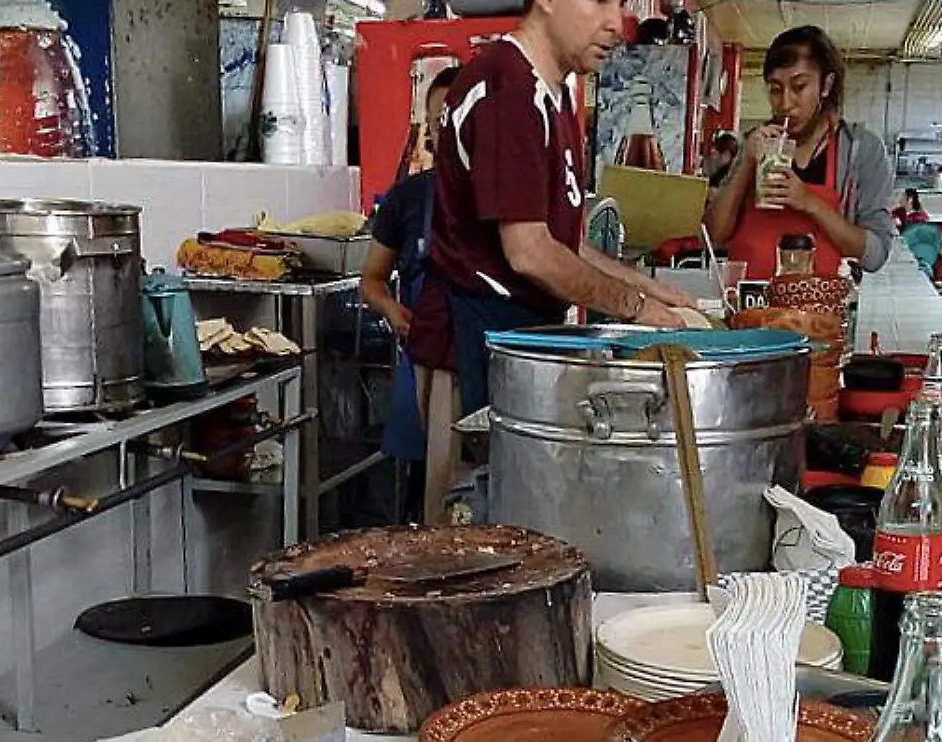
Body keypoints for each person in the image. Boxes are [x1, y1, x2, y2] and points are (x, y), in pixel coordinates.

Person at [412, 0, 696, 421]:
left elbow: (564, 242)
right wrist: (635, 308)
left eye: (620, 6)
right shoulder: (509, 89)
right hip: (479, 336)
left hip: (521, 335)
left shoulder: (555, 92)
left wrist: (649, 288)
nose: (616, 25)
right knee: (483, 483)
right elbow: (531, 252)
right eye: (600, 2)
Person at [703, 25, 894, 281]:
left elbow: (876, 255)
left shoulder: (860, 150)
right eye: (775, 88)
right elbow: (714, 234)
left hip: (820, 313)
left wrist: (809, 202)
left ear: (825, 85)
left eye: (799, 86)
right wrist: (745, 163)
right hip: (749, 308)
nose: (785, 104)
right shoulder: (756, 143)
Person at [362, 65, 459, 522]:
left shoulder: (498, 199)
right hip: (421, 354)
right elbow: (372, 280)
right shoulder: (407, 199)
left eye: (457, 117)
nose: (446, 130)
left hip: (476, 359)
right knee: (419, 492)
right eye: (438, 120)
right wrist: (395, 313)